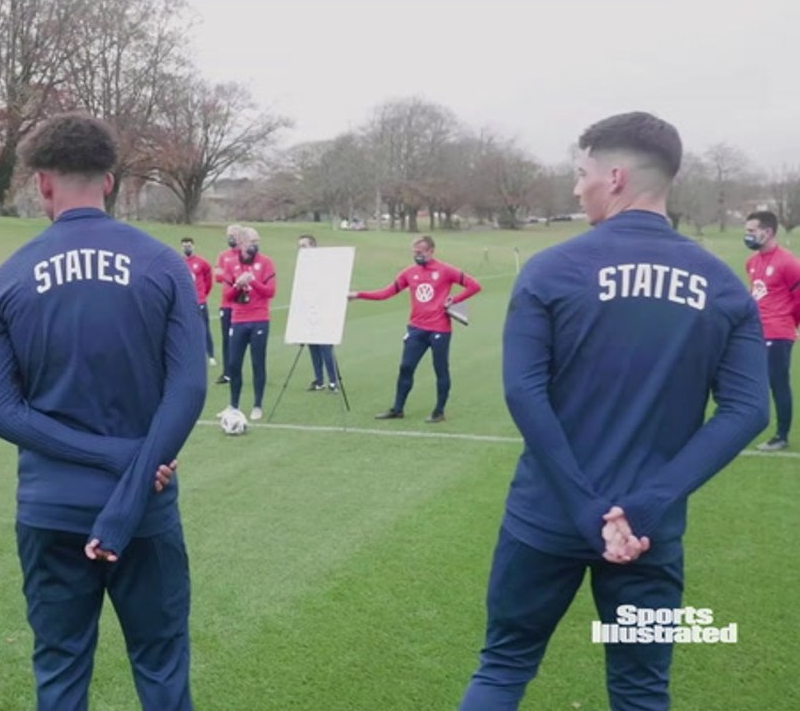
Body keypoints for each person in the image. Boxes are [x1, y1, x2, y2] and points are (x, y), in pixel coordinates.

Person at [459, 112, 770, 711]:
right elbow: (748, 410)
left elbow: (525, 393)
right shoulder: (724, 285)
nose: (577, 188)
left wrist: (581, 506)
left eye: (582, 174)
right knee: (639, 689)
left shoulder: (551, 270)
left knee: (504, 666)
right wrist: (648, 506)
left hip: (546, 517)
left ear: (617, 176)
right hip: (648, 533)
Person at [0, 112, 206, 711]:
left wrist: (110, 459)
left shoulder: (7, 277)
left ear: (43, 182)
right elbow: (188, 390)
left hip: (50, 510)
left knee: (60, 669)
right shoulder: (163, 264)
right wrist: (134, 471)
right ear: (110, 181)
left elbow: (0, 411)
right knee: (161, 666)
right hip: (146, 510)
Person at [349, 235, 481, 422]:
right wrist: (358, 294)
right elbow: (386, 293)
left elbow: (474, 286)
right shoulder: (409, 273)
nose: (417, 255)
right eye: (415, 252)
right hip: (417, 328)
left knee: (440, 369)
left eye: (420, 252)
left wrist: (454, 300)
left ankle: (439, 411)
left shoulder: (445, 270)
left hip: (440, 329)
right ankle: (397, 409)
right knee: (406, 367)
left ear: (431, 251)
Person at [743, 210, 800, 451]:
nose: (748, 236)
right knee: (749, 382)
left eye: (751, 231)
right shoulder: (752, 262)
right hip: (756, 332)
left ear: (767, 232)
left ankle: (781, 435)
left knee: (777, 383)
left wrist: (791, 325)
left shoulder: (789, 263)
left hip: (778, 333)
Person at [222, 225, 277, 421]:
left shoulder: (267, 263)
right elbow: (228, 296)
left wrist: (252, 281)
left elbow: (270, 292)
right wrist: (238, 284)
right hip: (238, 319)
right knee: (234, 364)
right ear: (242, 243)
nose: (255, 245)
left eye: (257, 242)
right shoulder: (231, 264)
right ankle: (233, 404)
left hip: (259, 319)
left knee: (257, 362)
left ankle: (257, 405)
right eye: (252, 242)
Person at [298, 234, 339, 392]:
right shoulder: (303, 269)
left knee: (325, 347)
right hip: (310, 312)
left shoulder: (323, 266)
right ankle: (319, 380)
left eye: (304, 246)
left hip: (323, 311)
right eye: (300, 247)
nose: (302, 250)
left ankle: (333, 380)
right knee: (313, 346)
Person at [180, 237, 218, 368]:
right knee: (186, 329)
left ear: (193, 246)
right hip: (185, 302)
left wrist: (203, 294)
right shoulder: (179, 262)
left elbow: (209, 280)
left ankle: (211, 355)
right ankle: (190, 356)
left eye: (189, 245)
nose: (187, 248)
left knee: (204, 328)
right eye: (184, 246)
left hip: (200, 301)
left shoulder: (201, 262)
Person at [213, 227, 241, 384]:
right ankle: (227, 372)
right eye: (229, 235)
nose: (231, 238)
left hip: (242, 305)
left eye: (234, 236)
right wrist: (233, 275)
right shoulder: (223, 256)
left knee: (240, 340)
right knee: (226, 340)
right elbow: (217, 276)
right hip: (226, 304)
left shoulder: (245, 255)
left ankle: (237, 370)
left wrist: (229, 275)